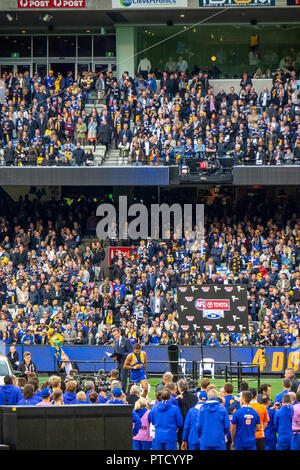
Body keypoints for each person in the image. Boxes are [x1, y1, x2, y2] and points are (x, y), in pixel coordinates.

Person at [112, 328, 133, 394]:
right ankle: (118, 393)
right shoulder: (115, 342)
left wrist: (122, 355)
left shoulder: (126, 340)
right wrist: (114, 357)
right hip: (118, 363)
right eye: (114, 335)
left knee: (123, 379)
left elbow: (130, 352)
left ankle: (123, 393)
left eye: (116, 334)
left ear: (119, 333)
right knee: (118, 379)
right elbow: (115, 352)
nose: (115, 336)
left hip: (125, 362)